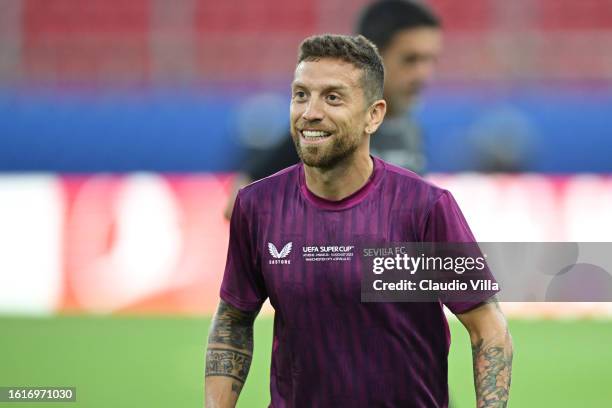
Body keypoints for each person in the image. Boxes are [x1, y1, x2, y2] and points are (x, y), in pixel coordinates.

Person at [206, 34, 513, 407]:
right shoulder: (258, 206)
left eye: (332, 97)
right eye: (301, 94)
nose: (310, 112)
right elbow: (234, 320)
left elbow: (488, 329)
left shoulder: (423, 208)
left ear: (374, 115)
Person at [224, 0, 443, 220]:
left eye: (430, 60)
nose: (423, 75)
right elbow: (238, 203)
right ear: (374, 60)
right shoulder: (329, 129)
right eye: (410, 60)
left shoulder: (412, 133)